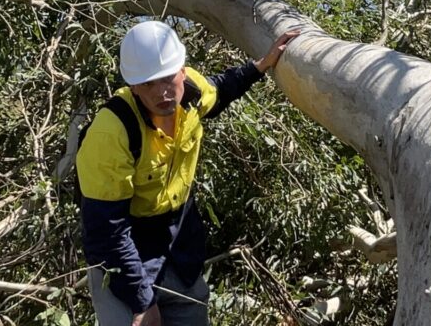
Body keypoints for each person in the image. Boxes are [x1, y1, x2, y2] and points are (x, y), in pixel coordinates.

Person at [77, 20, 300, 326]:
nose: (163, 92)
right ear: (133, 86)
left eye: (169, 78)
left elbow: (220, 91)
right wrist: (141, 300)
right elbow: (107, 230)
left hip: (178, 248)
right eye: (148, 84)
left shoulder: (192, 92)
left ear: (182, 70)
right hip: (123, 257)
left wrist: (260, 65)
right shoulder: (111, 132)